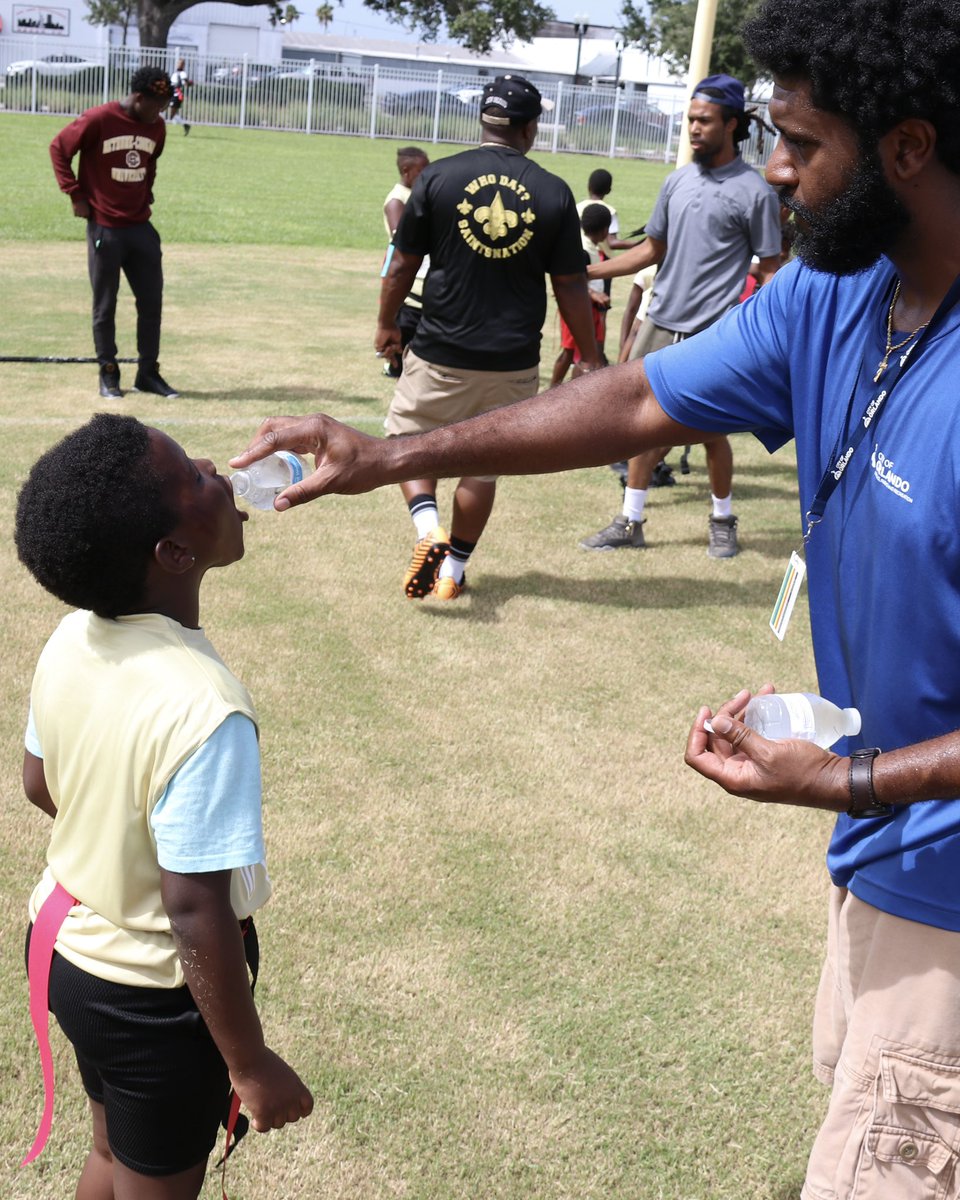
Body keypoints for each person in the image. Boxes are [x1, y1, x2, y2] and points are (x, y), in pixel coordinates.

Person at [231, 1, 960, 1193]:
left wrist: (850, 778)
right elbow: (633, 403)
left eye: (802, 141)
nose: (776, 171)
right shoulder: (841, 291)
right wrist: (388, 454)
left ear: (911, 148)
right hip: (878, 853)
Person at [16, 414, 313, 1199]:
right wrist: (250, 1067)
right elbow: (193, 911)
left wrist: (110, 837)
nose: (217, 468)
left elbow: (40, 784)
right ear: (175, 553)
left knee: (111, 1156)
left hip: (66, 953)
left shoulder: (71, 636)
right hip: (151, 1001)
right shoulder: (206, 707)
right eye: (192, 473)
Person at [376, 73, 602, 601]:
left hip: (439, 350)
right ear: (530, 127)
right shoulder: (553, 191)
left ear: (484, 120)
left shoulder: (437, 178)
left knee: (409, 443)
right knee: (483, 467)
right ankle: (453, 571)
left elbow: (402, 264)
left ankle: (427, 526)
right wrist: (589, 355)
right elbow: (569, 283)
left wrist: (386, 323)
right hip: (513, 360)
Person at [579, 74, 782, 558]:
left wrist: (765, 335)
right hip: (659, 322)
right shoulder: (677, 181)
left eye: (704, 120)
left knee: (710, 433)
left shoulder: (755, 192)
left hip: (710, 333)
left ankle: (723, 519)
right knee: (643, 427)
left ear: (731, 124)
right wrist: (583, 272)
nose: (693, 128)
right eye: (690, 119)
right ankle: (630, 522)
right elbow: (651, 249)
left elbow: (771, 269)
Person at [50, 66, 180, 401]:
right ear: (139, 98)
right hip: (105, 227)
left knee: (151, 303)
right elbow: (58, 149)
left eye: (164, 105)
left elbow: (150, 163)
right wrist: (76, 194)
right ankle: (109, 374)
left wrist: (146, 193)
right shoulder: (98, 119)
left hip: (140, 227)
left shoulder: (158, 127)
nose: (160, 112)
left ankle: (148, 373)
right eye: (156, 105)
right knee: (105, 305)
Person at [549, 202, 612, 387]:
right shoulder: (582, 249)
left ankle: (580, 390)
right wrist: (594, 294)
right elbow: (571, 280)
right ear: (605, 230)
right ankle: (553, 388)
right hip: (576, 305)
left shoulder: (591, 247)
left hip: (590, 307)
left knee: (593, 351)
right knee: (569, 352)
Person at [381, 146, 430, 377]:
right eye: (423, 170)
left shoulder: (420, 196)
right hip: (409, 287)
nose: (427, 174)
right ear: (406, 170)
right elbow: (401, 236)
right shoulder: (396, 201)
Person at [575, 168, 643, 255]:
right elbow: (612, 243)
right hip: (600, 259)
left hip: (577, 254)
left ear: (588, 186)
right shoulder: (609, 211)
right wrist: (640, 243)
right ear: (609, 190)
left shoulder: (577, 207)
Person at [168, 58, 193, 135]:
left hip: (177, 94)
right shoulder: (175, 73)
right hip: (171, 93)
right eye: (178, 63)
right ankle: (185, 125)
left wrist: (189, 83)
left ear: (183, 65)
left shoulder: (182, 73)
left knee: (171, 114)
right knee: (170, 113)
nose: (179, 64)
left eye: (181, 63)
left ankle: (185, 125)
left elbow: (186, 82)